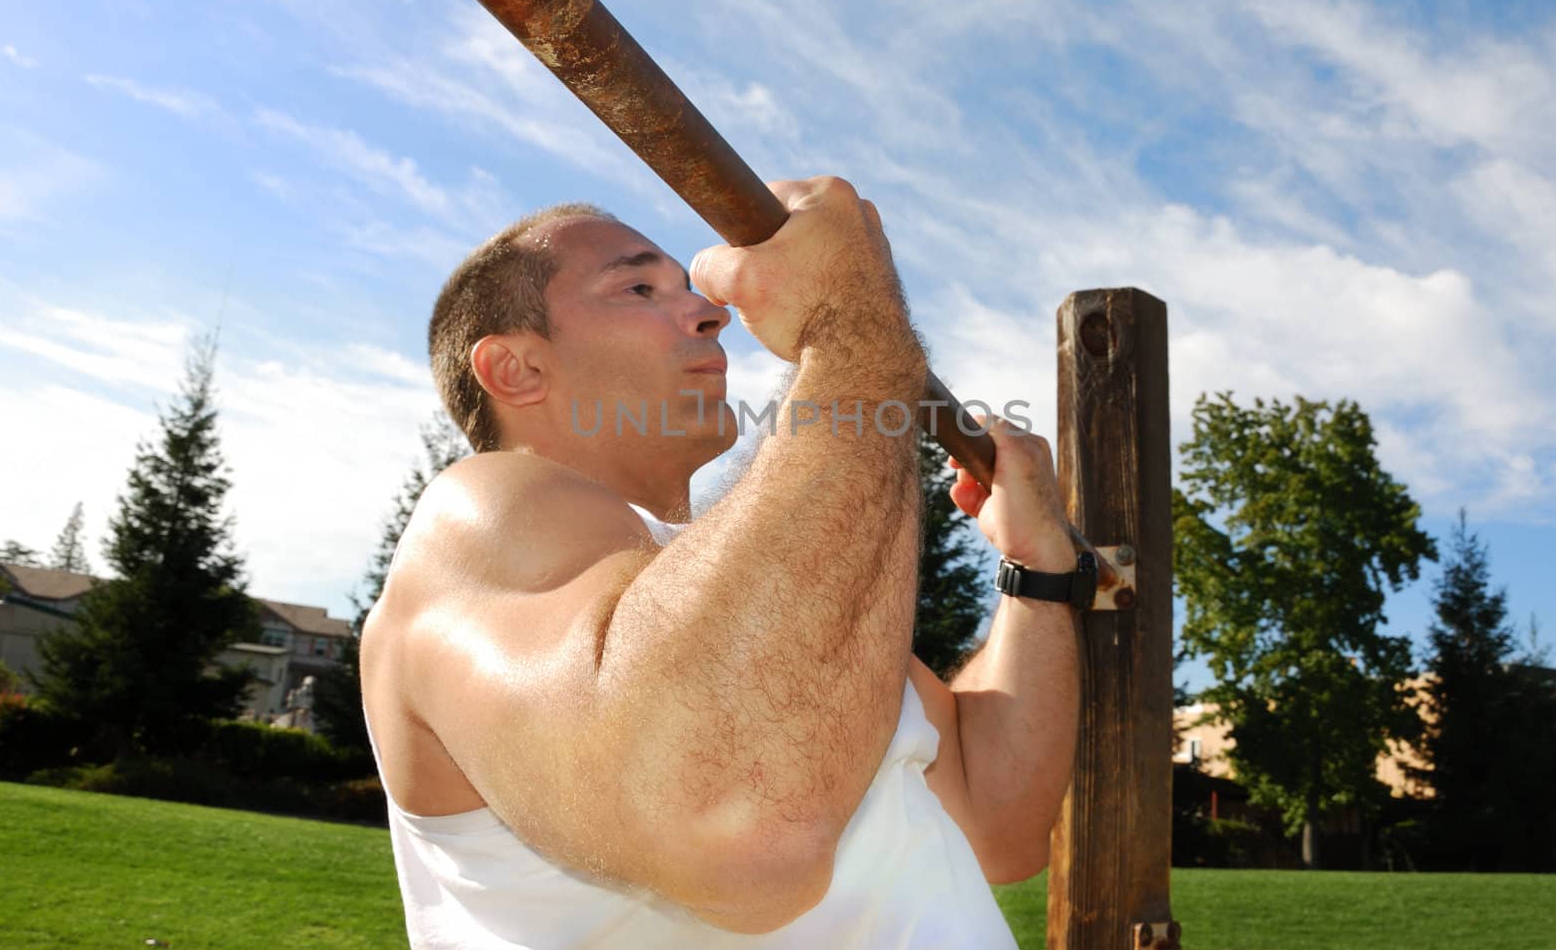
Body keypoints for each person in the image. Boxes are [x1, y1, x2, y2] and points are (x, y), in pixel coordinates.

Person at [360, 176, 1085, 947]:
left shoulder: (754, 602)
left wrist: (1035, 571)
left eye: (687, 287)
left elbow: (996, 824)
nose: (711, 312)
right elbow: (735, 826)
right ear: (517, 369)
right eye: (638, 286)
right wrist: (853, 326)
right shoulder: (476, 516)